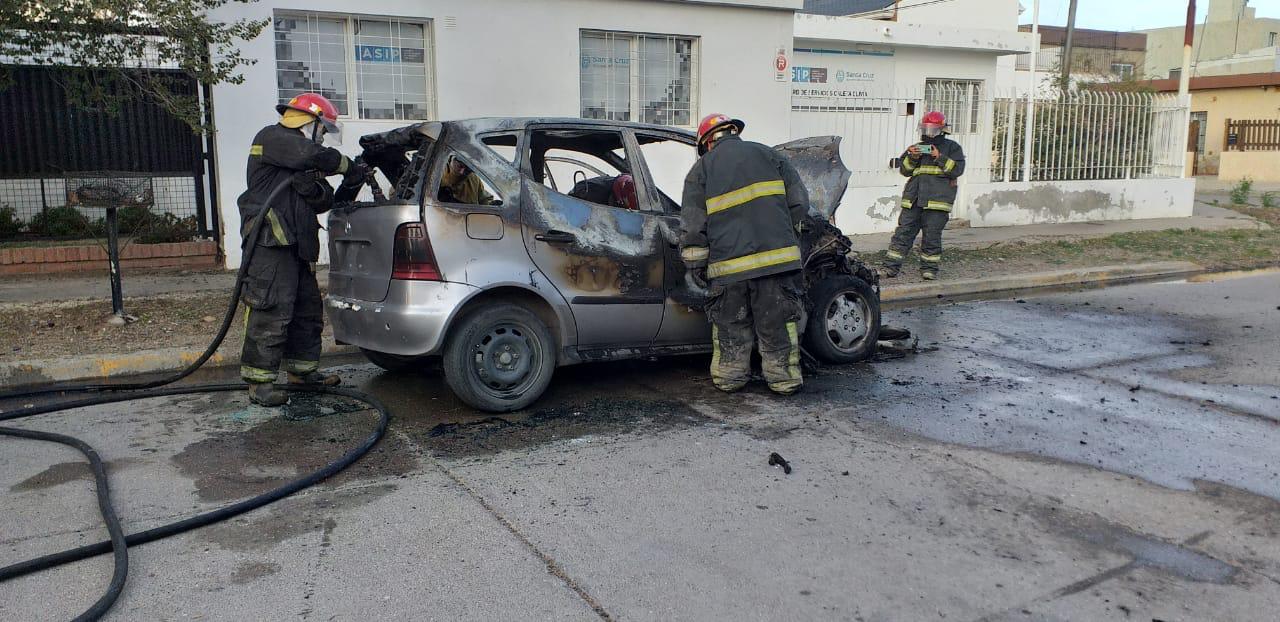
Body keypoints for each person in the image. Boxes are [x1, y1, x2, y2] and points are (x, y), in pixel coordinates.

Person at [237, 93, 369, 406]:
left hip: (297, 245)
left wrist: (340, 183)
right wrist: (345, 165)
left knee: (306, 311)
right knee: (271, 308)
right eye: (322, 130)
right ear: (309, 122)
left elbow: (322, 199)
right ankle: (259, 382)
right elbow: (312, 156)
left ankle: (302, 373)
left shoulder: (302, 158)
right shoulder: (272, 139)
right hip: (269, 243)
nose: (322, 137)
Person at [679, 113, 810, 395]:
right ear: (733, 132)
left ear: (707, 143)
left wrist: (695, 266)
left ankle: (730, 379)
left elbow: (692, 225)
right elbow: (800, 204)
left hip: (728, 270)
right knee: (777, 324)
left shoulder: (701, 171)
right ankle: (784, 381)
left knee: (730, 326)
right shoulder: (769, 155)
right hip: (776, 265)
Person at [881, 110, 966, 281]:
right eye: (926, 129)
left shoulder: (952, 148)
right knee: (903, 234)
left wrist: (938, 157)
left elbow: (957, 170)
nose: (929, 133)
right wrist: (912, 157)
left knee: (932, 236)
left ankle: (929, 269)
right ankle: (890, 268)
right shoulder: (917, 148)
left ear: (942, 130)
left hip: (937, 202)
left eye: (933, 129)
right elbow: (905, 171)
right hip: (914, 200)